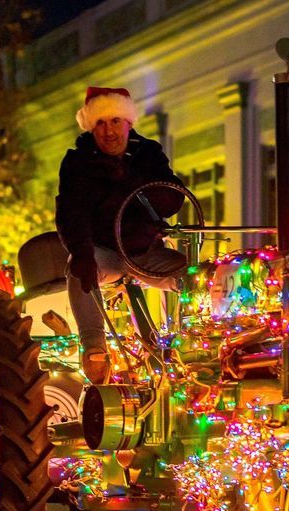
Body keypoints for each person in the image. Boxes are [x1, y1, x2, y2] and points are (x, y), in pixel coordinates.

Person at [56, 86, 186, 383]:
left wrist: (131, 179)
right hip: (106, 253)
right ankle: (95, 349)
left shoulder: (148, 154)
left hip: (145, 251)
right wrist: (83, 253)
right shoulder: (78, 163)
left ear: (128, 123)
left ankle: (192, 346)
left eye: (115, 121)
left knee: (192, 277)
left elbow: (173, 199)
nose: (109, 131)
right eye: (100, 123)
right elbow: (71, 213)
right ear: (91, 127)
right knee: (78, 270)